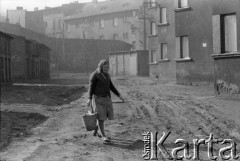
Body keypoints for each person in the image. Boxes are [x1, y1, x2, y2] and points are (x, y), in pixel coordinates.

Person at [86, 59, 124, 142]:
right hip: (97, 99)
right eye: (105, 67)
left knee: (102, 117)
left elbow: (111, 86)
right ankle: (103, 136)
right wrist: (89, 98)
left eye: (107, 67)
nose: (106, 68)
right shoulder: (95, 75)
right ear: (101, 66)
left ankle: (95, 131)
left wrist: (119, 95)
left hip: (106, 99)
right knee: (101, 118)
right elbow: (91, 88)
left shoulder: (107, 75)